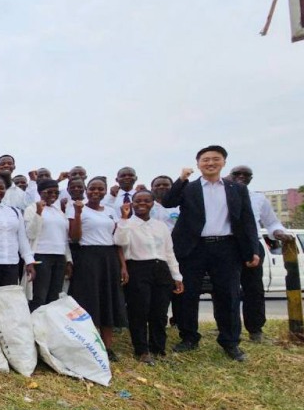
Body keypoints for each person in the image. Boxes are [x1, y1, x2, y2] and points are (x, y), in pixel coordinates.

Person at [163, 147, 259, 361]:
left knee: (229, 295)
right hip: (193, 248)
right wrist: (181, 179)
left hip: (227, 248)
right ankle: (189, 337)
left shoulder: (237, 189)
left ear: (224, 162)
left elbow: (247, 220)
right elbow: (168, 202)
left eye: (216, 159)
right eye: (205, 160)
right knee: (187, 295)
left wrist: (252, 249)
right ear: (198, 164)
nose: (210, 163)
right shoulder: (189, 188)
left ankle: (230, 341)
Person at [114, 191, 184, 365]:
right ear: (132, 203)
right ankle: (142, 350)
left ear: (153, 203)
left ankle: (158, 348)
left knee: (159, 311)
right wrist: (124, 219)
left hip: (161, 269)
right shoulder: (127, 224)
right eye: (138, 201)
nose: (142, 204)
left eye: (146, 200)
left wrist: (176, 276)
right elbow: (120, 242)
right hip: (138, 268)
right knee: (139, 311)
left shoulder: (161, 226)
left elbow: (169, 252)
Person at [227, 165, 295, 343]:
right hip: (226, 245)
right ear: (229, 176)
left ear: (251, 178)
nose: (242, 176)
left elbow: (272, 222)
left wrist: (278, 232)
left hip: (251, 245)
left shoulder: (258, 198)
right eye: (237, 174)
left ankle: (255, 330)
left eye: (246, 175)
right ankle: (228, 329)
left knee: (254, 289)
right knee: (226, 289)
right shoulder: (220, 194)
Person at [68, 176, 127, 361]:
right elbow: (75, 237)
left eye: (100, 189)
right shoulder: (78, 209)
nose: (96, 192)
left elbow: (117, 240)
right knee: (89, 300)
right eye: (92, 188)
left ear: (105, 191)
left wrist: (123, 265)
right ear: (86, 190)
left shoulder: (110, 211)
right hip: (88, 257)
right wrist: (78, 214)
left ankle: (107, 347)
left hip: (109, 258)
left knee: (108, 300)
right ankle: (90, 345)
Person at [25, 178, 72, 310]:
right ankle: (35, 321)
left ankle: (49, 322)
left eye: (56, 192)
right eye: (49, 192)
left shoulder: (59, 211)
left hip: (59, 257)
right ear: (40, 192)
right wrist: (38, 213)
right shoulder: (31, 208)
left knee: (55, 295)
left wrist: (68, 259)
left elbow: (63, 238)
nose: (53, 195)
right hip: (41, 256)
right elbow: (30, 234)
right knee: (39, 295)